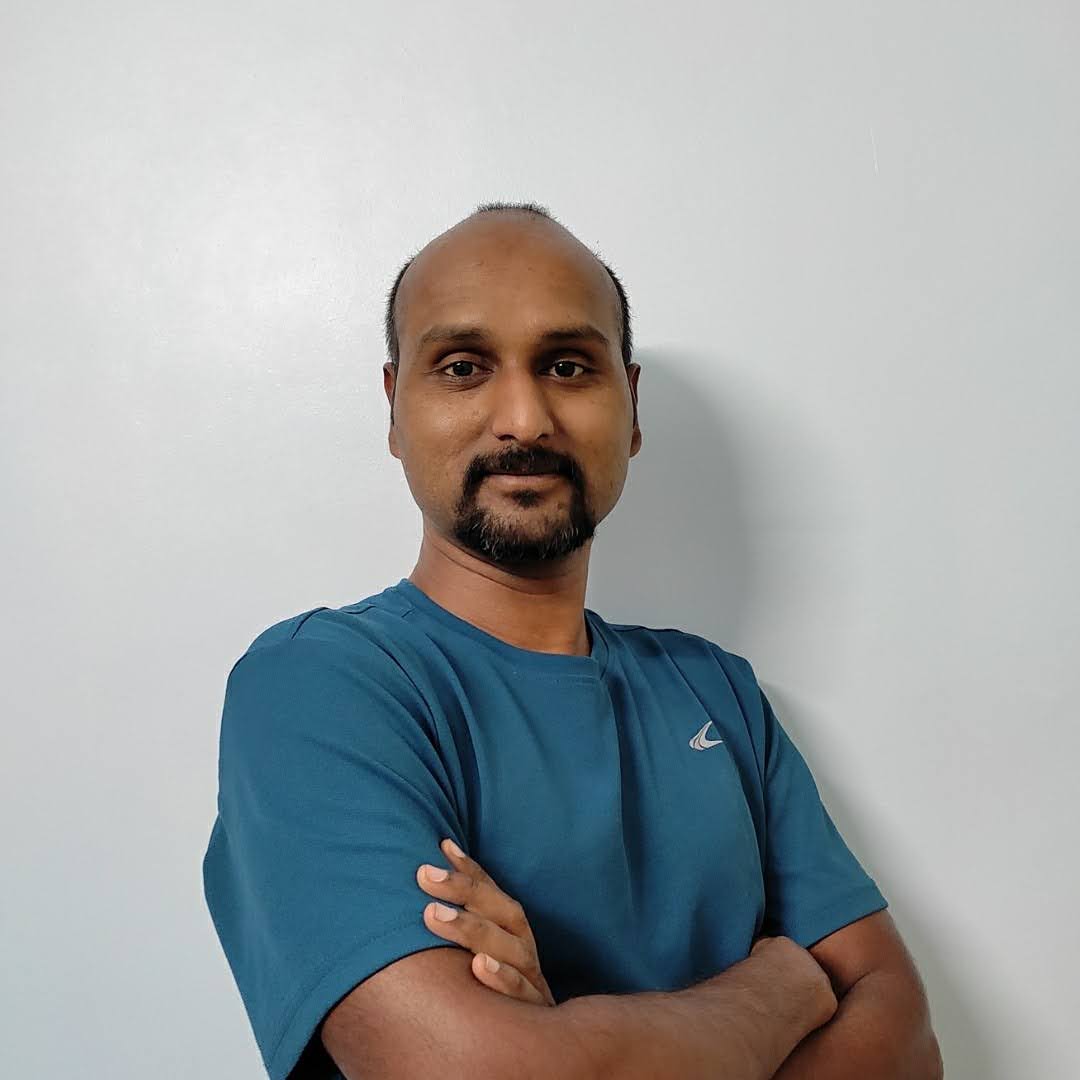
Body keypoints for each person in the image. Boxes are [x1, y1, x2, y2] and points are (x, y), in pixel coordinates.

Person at [202, 201, 941, 1079]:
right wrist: (779, 989)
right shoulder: (321, 686)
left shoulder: (718, 691)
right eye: (464, 367)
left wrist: (567, 1039)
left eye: (566, 366)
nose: (524, 419)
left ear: (631, 407)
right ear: (395, 409)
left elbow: (905, 1044)